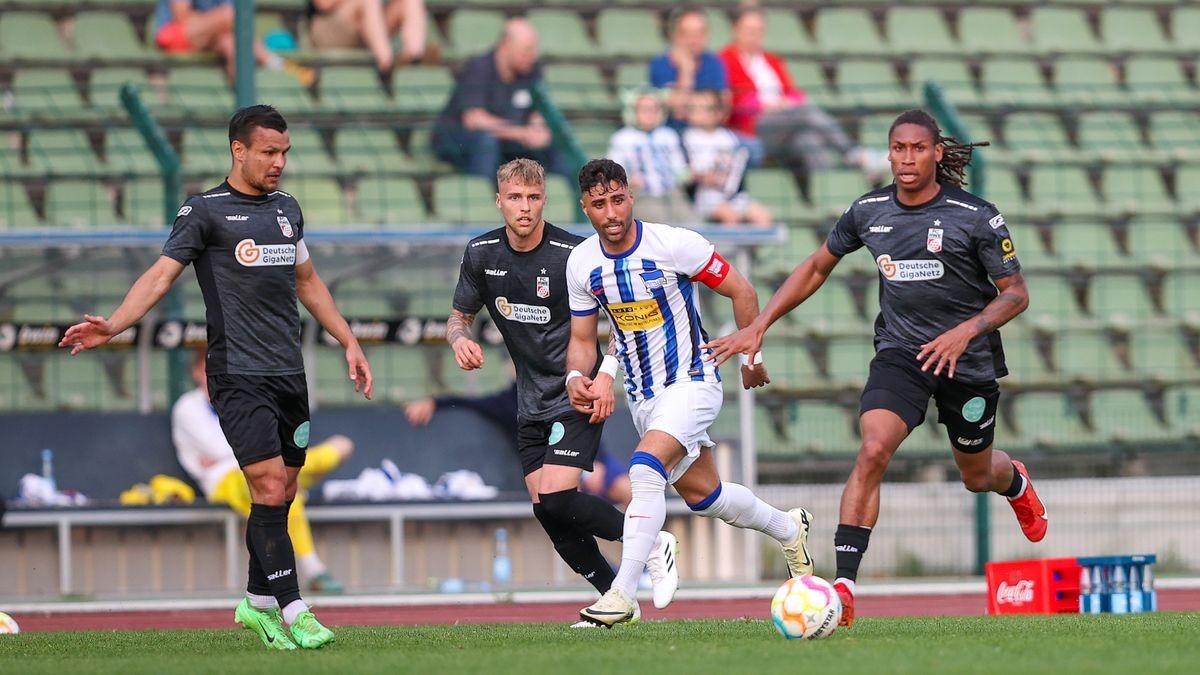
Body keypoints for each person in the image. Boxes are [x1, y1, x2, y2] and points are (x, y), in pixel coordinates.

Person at [705, 109, 1048, 628]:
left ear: (936, 153)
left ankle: (1015, 482)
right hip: (902, 355)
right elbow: (818, 265)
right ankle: (843, 586)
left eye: (917, 148)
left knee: (977, 476)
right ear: (888, 154)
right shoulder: (868, 210)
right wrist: (762, 324)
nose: (907, 158)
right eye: (898, 148)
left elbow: (1017, 294)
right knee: (872, 449)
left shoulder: (976, 215)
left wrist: (966, 330)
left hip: (968, 358)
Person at [59, 104, 373, 650]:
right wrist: (112, 325)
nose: (278, 163)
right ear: (239, 150)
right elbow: (160, 276)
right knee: (269, 485)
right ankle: (295, 609)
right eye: (269, 152)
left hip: (288, 374)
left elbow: (308, 281)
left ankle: (254, 602)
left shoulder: (287, 209)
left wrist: (348, 339)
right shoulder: (204, 211)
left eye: (285, 153)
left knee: (284, 492)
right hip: (237, 374)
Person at [566, 159, 814, 628]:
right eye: (600, 204)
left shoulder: (675, 244)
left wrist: (750, 358)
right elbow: (583, 340)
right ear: (586, 207)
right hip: (645, 397)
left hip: (694, 381)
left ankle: (622, 593)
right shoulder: (582, 263)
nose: (612, 212)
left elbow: (741, 291)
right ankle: (788, 526)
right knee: (706, 496)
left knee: (644, 469)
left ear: (630, 196)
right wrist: (579, 378)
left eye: (618, 199)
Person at [446, 158, 676, 625]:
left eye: (533, 198)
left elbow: (619, 322)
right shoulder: (482, 253)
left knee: (555, 498)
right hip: (528, 401)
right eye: (514, 198)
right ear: (499, 201)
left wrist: (606, 374)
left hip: (580, 392)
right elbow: (459, 317)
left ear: (544, 200)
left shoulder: (575, 254)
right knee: (548, 512)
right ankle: (617, 600)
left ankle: (651, 541)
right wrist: (460, 339)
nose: (524, 208)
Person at [173, 347, 352, 594]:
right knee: (284, 485)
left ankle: (308, 572)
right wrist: (247, 445)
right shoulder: (187, 406)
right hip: (225, 480)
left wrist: (244, 446)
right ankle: (314, 570)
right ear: (196, 372)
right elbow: (228, 447)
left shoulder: (239, 398)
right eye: (209, 368)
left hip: (264, 464)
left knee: (334, 450)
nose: (216, 374)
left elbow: (252, 441)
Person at [405, 380, 632, 508]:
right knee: (569, 503)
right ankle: (607, 572)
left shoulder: (564, 385)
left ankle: (646, 562)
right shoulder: (508, 403)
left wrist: (598, 460)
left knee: (632, 493)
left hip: (588, 457)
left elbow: (587, 419)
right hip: (552, 471)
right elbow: (468, 403)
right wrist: (433, 403)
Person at [718, 7, 885, 179]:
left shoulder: (772, 60)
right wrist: (768, 105)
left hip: (785, 123)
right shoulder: (725, 59)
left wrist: (785, 104)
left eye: (759, 31)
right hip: (752, 126)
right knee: (805, 111)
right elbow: (733, 101)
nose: (755, 36)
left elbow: (795, 94)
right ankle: (856, 154)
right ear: (735, 30)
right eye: (749, 30)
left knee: (808, 140)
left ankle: (829, 191)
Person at [432, 18, 570, 181]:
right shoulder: (478, 68)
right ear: (506, 45)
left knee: (555, 142)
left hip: (508, 138)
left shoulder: (531, 69)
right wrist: (522, 133)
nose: (531, 56)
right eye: (526, 51)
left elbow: (538, 109)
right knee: (485, 143)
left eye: (533, 50)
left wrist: (539, 129)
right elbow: (474, 120)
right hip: (458, 137)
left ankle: (573, 200)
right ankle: (485, 201)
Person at [154, 0, 314, 86]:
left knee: (231, 44)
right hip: (174, 35)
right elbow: (182, 16)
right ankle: (273, 61)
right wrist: (214, 22)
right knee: (229, 15)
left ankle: (244, 114)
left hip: (210, 37)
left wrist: (214, 25)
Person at [681, 89, 772, 227]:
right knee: (730, 216)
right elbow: (684, 172)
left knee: (763, 217)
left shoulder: (730, 138)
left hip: (733, 195)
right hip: (706, 197)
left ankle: (748, 249)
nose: (696, 113)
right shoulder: (686, 138)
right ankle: (730, 249)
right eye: (692, 108)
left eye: (702, 108)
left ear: (717, 113)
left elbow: (740, 163)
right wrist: (702, 176)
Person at [607, 90, 697, 226]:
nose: (650, 114)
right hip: (642, 195)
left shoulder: (668, 135)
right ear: (633, 112)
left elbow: (679, 167)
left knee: (694, 225)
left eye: (654, 109)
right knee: (663, 225)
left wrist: (687, 174)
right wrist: (629, 182)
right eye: (644, 109)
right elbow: (613, 174)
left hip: (672, 194)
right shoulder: (622, 138)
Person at [649, 8, 730, 133]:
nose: (694, 40)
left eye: (699, 34)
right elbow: (677, 110)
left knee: (750, 145)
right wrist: (686, 70)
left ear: (707, 35)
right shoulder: (659, 64)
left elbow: (723, 110)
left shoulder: (714, 63)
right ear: (675, 35)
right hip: (672, 134)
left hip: (709, 133)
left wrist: (688, 107)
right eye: (687, 34)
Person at [306, 0, 435, 77]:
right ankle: (388, 66)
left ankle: (414, 56)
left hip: (367, 26)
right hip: (328, 28)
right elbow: (323, 4)